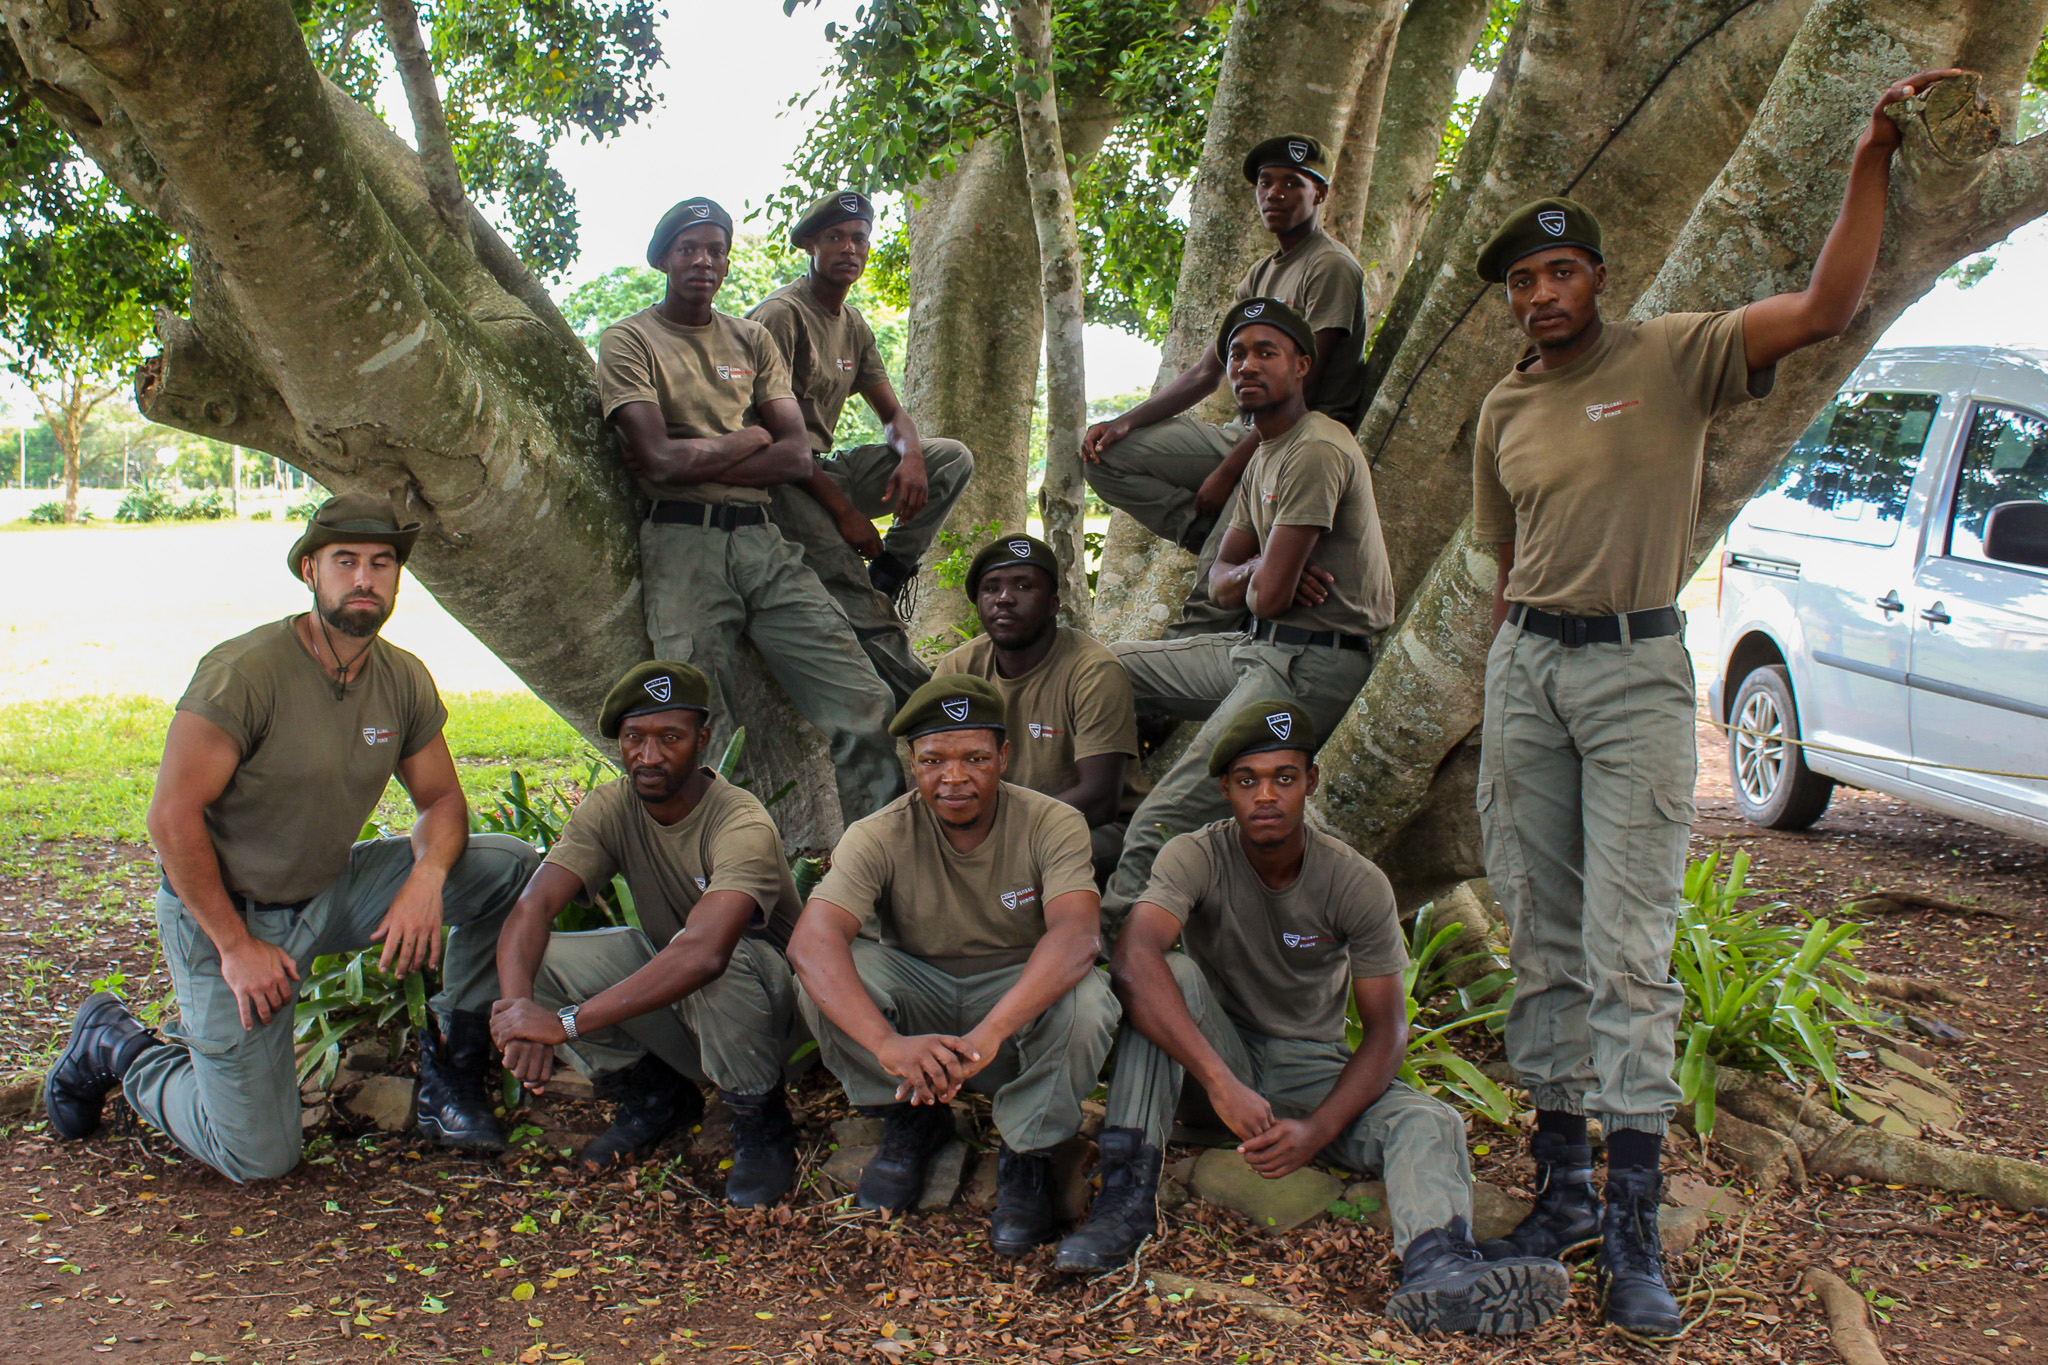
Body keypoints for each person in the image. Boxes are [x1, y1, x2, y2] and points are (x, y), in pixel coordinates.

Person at [1468, 69, 1964, 1336]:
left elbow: (1827, 304)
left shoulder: (1675, 353)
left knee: (1626, 949)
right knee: (1538, 935)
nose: (1539, 294)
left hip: (1633, 673)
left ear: (1594, 279)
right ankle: (1563, 1187)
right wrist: (1497, 682)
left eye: (1557, 273)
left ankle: (1634, 1228)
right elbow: (1501, 569)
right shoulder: (1501, 408)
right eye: (1520, 283)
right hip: (1526, 672)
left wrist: (1870, 156)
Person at [41, 494, 539, 1180]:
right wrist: (236, 946)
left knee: (507, 868)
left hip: (329, 892)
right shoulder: (245, 672)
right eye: (345, 561)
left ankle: (451, 1072)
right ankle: (118, 1045)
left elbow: (443, 799)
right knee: (258, 1154)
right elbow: (171, 817)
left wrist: (425, 879)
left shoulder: (401, 678)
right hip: (230, 917)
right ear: (310, 570)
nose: (364, 578)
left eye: (381, 563)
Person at [1055, 703, 1568, 1335]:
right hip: (1212, 1061)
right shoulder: (1196, 855)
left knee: (1428, 1119)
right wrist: (1221, 1082)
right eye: (1248, 781)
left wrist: (1319, 1131)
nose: (1266, 795)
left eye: (1284, 777)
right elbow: (1133, 957)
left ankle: (1439, 1265)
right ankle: (1124, 1204)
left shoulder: (1355, 882)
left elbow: (1387, 1032)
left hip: (1308, 1069)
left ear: (1311, 782)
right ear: (1226, 790)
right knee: (1174, 975)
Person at [786, 675, 1120, 1254]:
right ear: (912, 761)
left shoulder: (1051, 822)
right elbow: (810, 942)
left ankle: (1028, 1153)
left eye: (975, 758)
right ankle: (913, 1122)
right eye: (934, 759)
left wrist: (992, 1031)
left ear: (1005, 757)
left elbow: (1076, 935)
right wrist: (888, 1043)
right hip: (922, 988)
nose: (955, 778)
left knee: (1089, 998)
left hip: (1015, 993)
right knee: (832, 974)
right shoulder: (878, 834)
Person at [599, 195, 901, 826]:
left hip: (764, 542)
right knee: (695, 728)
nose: (703, 261)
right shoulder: (631, 340)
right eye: (689, 249)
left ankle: (874, 870)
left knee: (864, 699)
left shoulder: (752, 338)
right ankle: (722, 881)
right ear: (663, 258)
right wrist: (745, 438)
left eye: (715, 250)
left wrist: (694, 455)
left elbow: (795, 457)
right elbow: (657, 463)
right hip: (684, 549)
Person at [1101, 297, 1393, 930]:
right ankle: (1096, 807)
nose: (1247, 365)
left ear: (1302, 366)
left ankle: (1114, 950)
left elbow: (1262, 596)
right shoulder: (1263, 453)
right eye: (1237, 354)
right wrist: (1264, 568)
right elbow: (1223, 580)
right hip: (1256, 649)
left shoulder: (1316, 450)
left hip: (1311, 666)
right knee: (1096, 668)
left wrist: (1258, 578)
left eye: (1267, 352)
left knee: (1164, 819)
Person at [488, 662, 803, 1205]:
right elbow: (531, 908)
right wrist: (521, 1016)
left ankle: (762, 1122)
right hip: (685, 996)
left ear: (702, 740)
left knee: (714, 964)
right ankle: (656, 1097)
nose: (649, 756)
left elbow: (705, 955)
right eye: (634, 738)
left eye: (670, 738)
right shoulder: (612, 807)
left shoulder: (739, 822)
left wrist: (562, 1024)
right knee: (537, 960)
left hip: (780, 1019)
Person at [1082, 135, 1368, 637]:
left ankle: (1175, 673)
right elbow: (1205, 374)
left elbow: (1301, 395)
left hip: (1299, 442)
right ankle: (1204, 531)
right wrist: (1123, 422)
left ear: (1319, 194)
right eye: (1265, 183)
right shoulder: (1259, 274)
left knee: (1210, 595)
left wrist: (1227, 472)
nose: (1274, 194)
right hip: (1248, 436)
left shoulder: (1330, 267)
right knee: (1101, 455)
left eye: (1291, 184)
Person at [747, 190, 976, 705]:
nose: (850, 248)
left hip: (823, 468)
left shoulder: (853, 326)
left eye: (859, 239)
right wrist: (847, 514)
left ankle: (889, 572)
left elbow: (893, 415)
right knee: (860, 603)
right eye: (835, 238)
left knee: (950, 458)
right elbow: (776, 442)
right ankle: (940, 711)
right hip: (779, 480)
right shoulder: (780, 316)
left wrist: (912, 456)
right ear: (810, 244)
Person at [936, 533, 1144, 881]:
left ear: (1053, 604)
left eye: (1023, 586)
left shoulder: (1092, 670)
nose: (1004, 599)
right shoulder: (959, 668)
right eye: (991, 588)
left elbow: (1099, 798)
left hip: (1092, 827)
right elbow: (929, 770)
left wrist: (999, 836)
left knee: (1022, 867)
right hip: (985, 824)